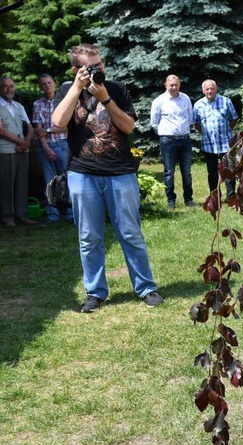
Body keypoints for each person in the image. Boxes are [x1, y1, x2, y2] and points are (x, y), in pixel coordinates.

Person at [52, 43, 163, 313]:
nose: (98, 70)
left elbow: (127, 126)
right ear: (76, 70)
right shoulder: (68, 90)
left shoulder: (116, 88)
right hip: (82, 172)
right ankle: (95, 292)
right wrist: (77, 88)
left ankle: (146, 287)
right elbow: (57, 122)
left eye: (100, 65)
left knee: (130, 232)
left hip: (120, 172)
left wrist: (105, 98)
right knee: (89, 236)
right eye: (91, 67)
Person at [150, 74, 195, 209]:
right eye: (171, 85)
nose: (173, 87)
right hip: (168, 141)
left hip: (185, 140)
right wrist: (166, 133)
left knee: (186, 172)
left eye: (176, 85)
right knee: (169, 172)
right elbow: (154, 122)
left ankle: (188, 199)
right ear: (166, 85)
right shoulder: (159, 101)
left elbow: (190, 117)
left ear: (179, 85)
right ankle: (171, 200)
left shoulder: (185, 98)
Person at [33, 73, 72, 223]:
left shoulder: (63, 102)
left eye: (49, 83)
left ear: (54, 84)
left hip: (63, 145)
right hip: (45, 148)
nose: (47, 86)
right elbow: (38, 129)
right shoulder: (37, 104)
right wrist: (45, 147)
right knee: (49, 182)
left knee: (68, 179)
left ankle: (71, 214)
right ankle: (52, 215)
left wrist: (49, 131)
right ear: (40, 87)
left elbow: (67, 127)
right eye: (43, 84)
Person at [193, 79, 238, 201]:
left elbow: (233, 118)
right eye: (207, 89)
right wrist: (205, 133)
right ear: (203, 91)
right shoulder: (198, 105)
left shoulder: (226, 101)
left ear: (216, 89)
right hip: (209, 144)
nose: (209, 91)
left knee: (229, 171)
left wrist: (227, 130)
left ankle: (231, 197)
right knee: (212, 172)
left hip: (225, 142)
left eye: (211, 88)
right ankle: (215, 196)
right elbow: (196, 123)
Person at [0, 75, 36, 228]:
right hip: (6, 150)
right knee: (6, 184)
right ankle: (7, 217)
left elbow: (30, 127)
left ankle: (22, 216)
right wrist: (22, 142)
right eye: (6, 86)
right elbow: (1, 131)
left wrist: (26, 141)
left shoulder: (19, 106)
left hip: (22, 150)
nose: (10, 89)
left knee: (22, 184)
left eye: (12, 86)